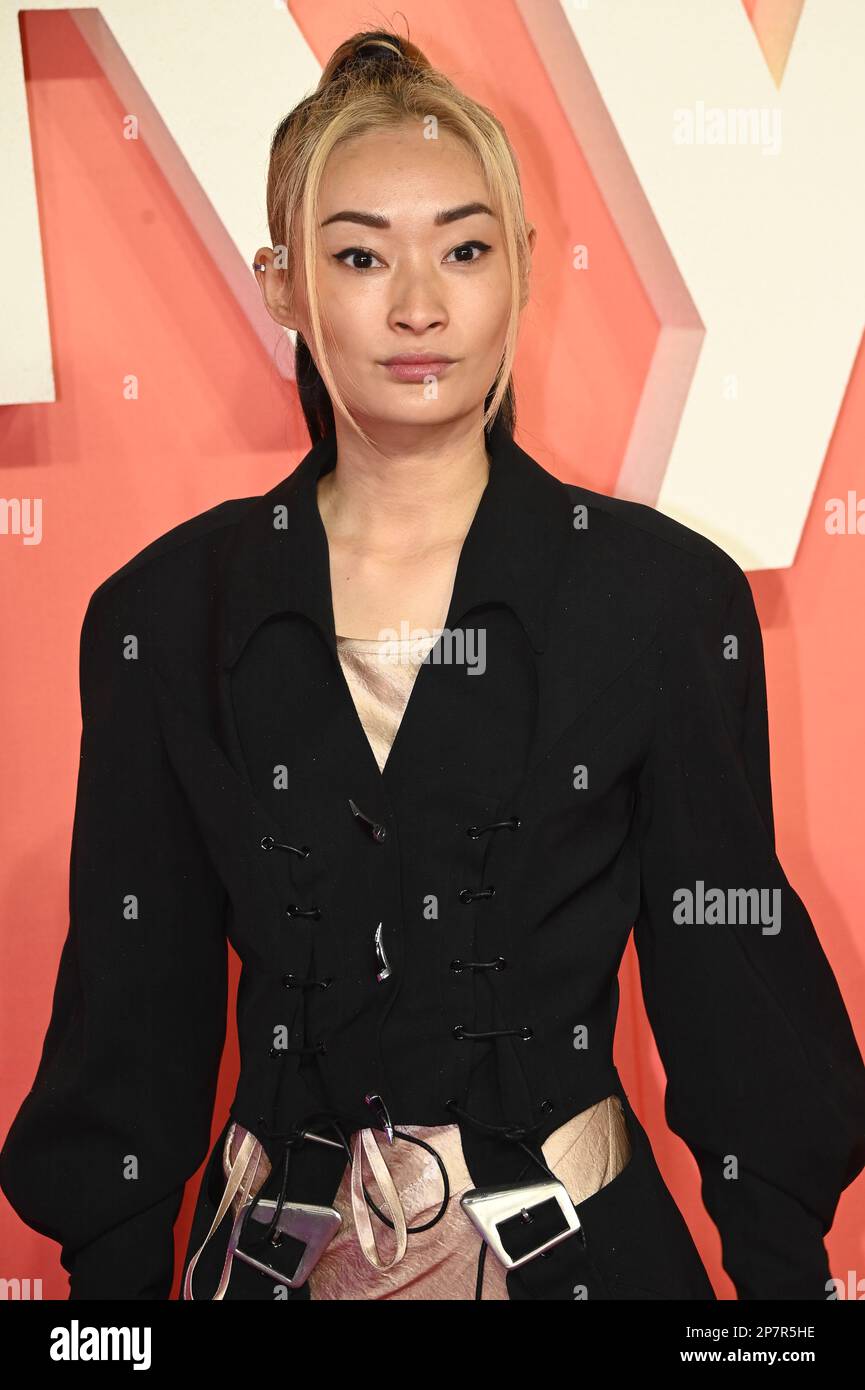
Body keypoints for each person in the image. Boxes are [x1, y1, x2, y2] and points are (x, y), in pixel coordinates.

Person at [2, 28, 865, 1302]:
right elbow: (132, 1010)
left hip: (589, 1263)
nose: (419, 304)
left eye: (464, 249)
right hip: (266, 1267)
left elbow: (731, 981)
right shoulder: (166, 613)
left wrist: (786, 1306)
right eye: (360, 255)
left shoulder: (657, 600)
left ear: (521, 267)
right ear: (283, 283)